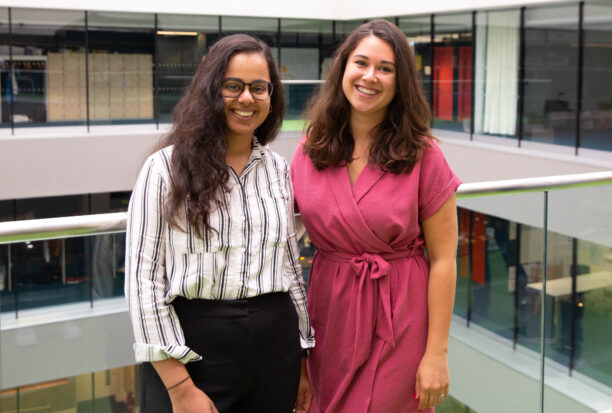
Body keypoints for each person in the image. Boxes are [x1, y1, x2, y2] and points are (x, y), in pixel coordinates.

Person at [125, 34, 314, 413]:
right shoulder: (164, 169)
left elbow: (290, 268)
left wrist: (303, 359)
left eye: (259, 88)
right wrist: (179, 387)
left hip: (275, 348)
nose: (247, 99)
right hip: (192, 351)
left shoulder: (278, 170)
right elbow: (143, 281)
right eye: (233, 86)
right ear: (211, 91)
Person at [291, 20, 461, 412]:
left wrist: (437, 354)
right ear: (342, 69)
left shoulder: (424, 154)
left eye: (385, 69)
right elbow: (278, 238)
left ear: (400, 83)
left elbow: (444, 260)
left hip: (399, 316)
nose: (371, 77)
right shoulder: (309, 148)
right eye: (361, 63)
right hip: (329, 317)